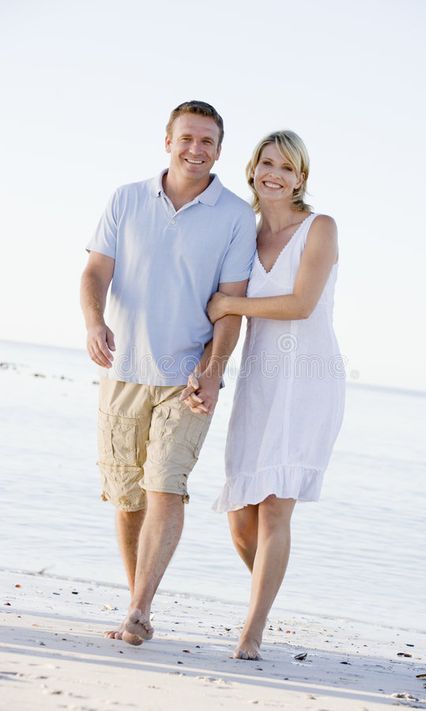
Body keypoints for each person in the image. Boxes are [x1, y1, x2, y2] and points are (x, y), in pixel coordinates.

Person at [80, 100, 256, 646]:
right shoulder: (126, 199)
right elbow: (94, 270)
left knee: (165, 486)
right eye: (187, 138)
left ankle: (138, 610)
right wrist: (93, 322)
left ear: (220, 150)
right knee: (127, 497)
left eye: (207, 142)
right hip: (124, 371)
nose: (195, 150)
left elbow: (231, 303)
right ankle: (138, 601)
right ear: (168, 141)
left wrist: (212, 370)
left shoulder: (234, 216)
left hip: (188, 376)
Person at [207, 130, 345, 660]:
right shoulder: (244, 233)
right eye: (267, 163)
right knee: (240, 515)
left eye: (287, 168)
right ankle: (269, 589)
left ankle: (253, 632)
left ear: (301, 178)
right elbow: (223, 302)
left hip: (308, 383)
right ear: (252, 168)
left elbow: (300, 304)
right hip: (260, 382)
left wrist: (229, 306)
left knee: (274, 509)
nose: (275, 174)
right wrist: (211, 369)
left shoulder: (321, 228)